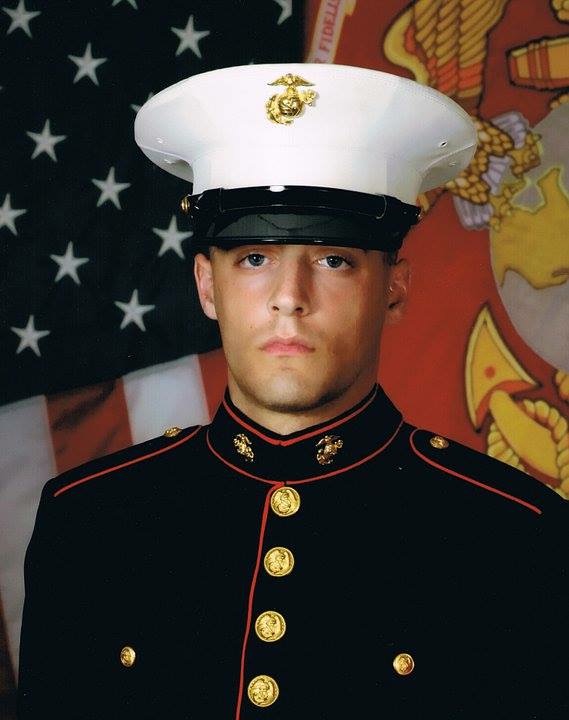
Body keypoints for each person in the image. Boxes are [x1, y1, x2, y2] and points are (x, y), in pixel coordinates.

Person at [17, 63, 569, 719]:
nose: (288, 298)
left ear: (393, 288)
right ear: (205, 285)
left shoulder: (510, 537)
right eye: (253, 258)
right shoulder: (90, 522)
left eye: (333, 259)